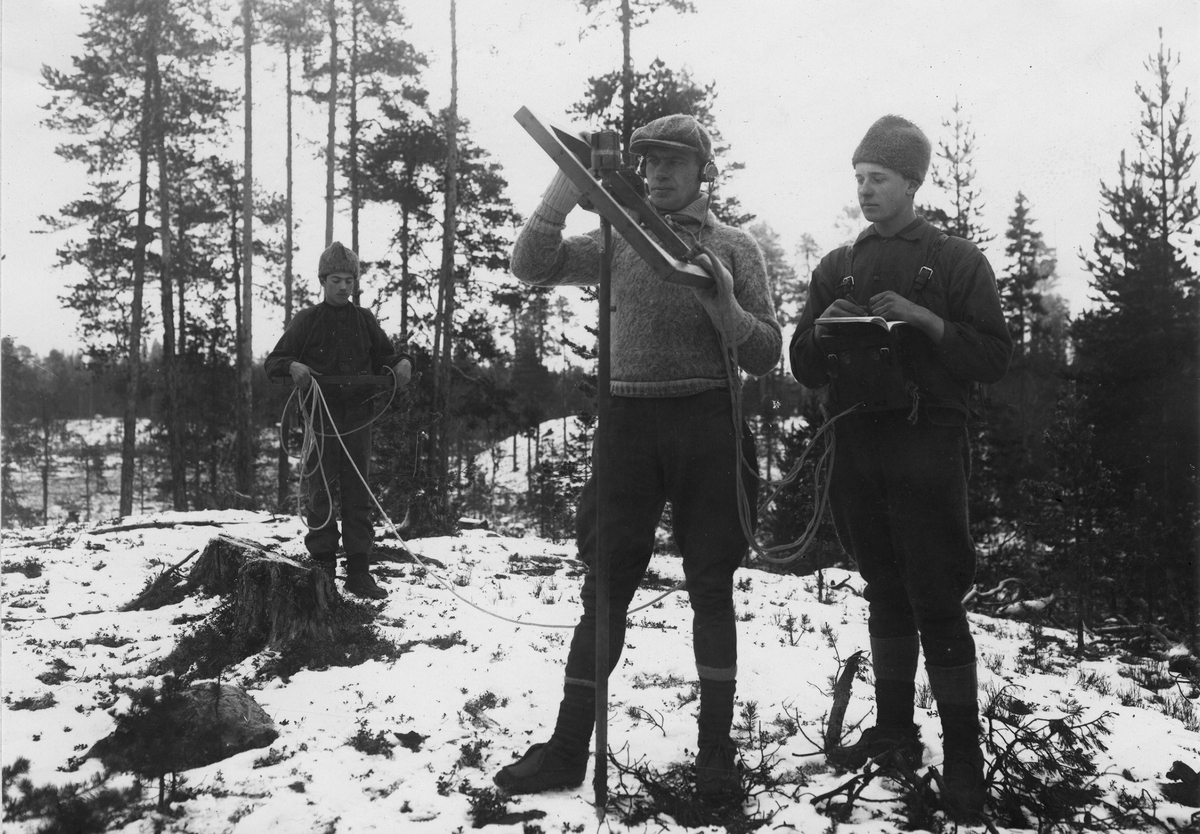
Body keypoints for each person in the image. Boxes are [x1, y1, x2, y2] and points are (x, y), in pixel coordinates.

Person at [492, 114, 781, 796]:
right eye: (648, 160)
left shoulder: (734, 246)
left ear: (703, 171)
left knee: (711, 587)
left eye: (673, 161)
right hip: (627, 424)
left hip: (708, 422)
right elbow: (529, 265)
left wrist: (723, 303)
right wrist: (565, 189)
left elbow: (766, 352)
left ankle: (715, 755)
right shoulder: (620, 237)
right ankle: (568, 749)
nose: (657, 172)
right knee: (605, 588)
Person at [789, 115, 1012, 818]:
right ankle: (894, 735)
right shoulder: (838, 266)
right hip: (858, 443)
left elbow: (993, 357)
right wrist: (825, 330)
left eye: (878, 178)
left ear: (912, 182)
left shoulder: (954, 261)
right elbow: (802, 365)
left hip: (928, 444)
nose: (865, 190)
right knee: (883, 587)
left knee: (936, 594)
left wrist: (922, 318)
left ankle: (965, 759)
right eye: (859, 178)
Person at [265, 241, 413, 600]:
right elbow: (274, 362)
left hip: (359, 417)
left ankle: (359, 572)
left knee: (358, 490)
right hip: (320, 417)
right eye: (336, 280)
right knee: (321, 491)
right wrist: (292, 365)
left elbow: (387, 355)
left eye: (349, 280)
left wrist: (402, 362)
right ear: (322, 281)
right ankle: (323, 568)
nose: (343, 287)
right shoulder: (307, 320)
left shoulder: (364, 320)